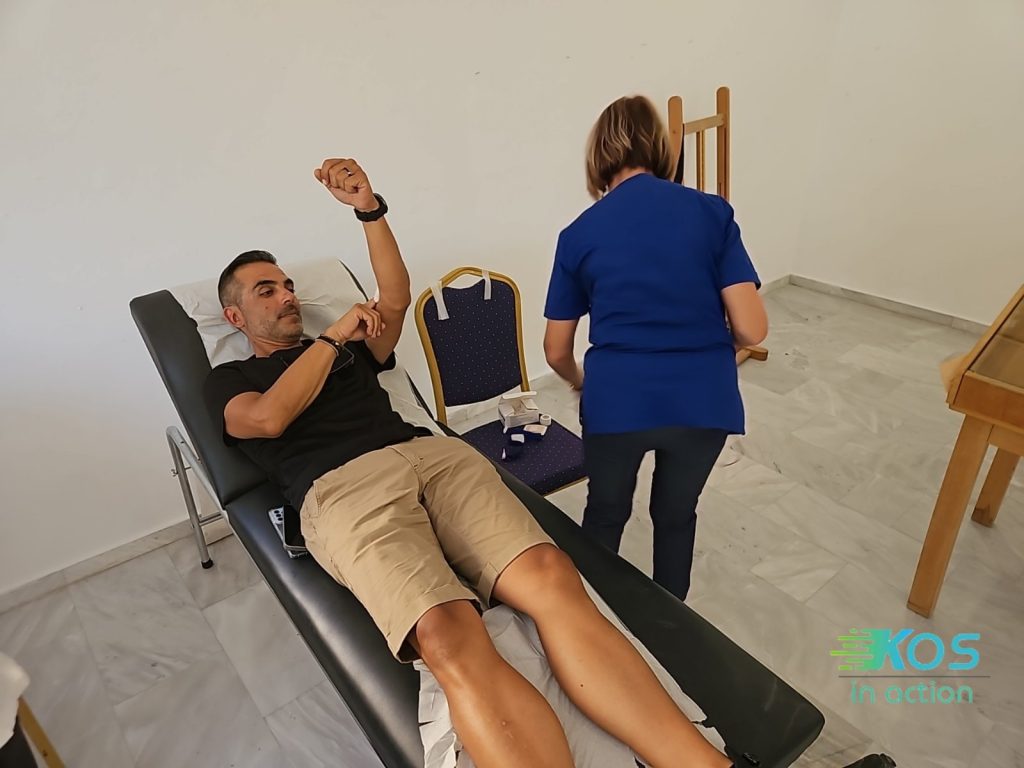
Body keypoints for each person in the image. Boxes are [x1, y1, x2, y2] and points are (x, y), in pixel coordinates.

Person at [203, 157, 732, 768]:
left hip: (433, 457)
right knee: (448, 634)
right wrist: (332, 337)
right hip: (344, 491)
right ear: (235, 317)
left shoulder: (351, 354)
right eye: (267, 290)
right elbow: (267, 420)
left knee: (551, 579)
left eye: (289, 285)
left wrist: (368, 209)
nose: (288, 296)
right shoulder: (232, 378)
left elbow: (395, 299)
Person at [543, 96, 767, 600]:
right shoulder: (711, 212)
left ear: (598, 155)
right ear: (662, 149)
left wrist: (580, 382)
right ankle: (672, 625)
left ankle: (598, 621)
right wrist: (715, 352)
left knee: (605, 513)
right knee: (676, 515)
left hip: (616, 403)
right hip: (704, 402)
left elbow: (556, 349)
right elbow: (752, 329)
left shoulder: (578, 234)